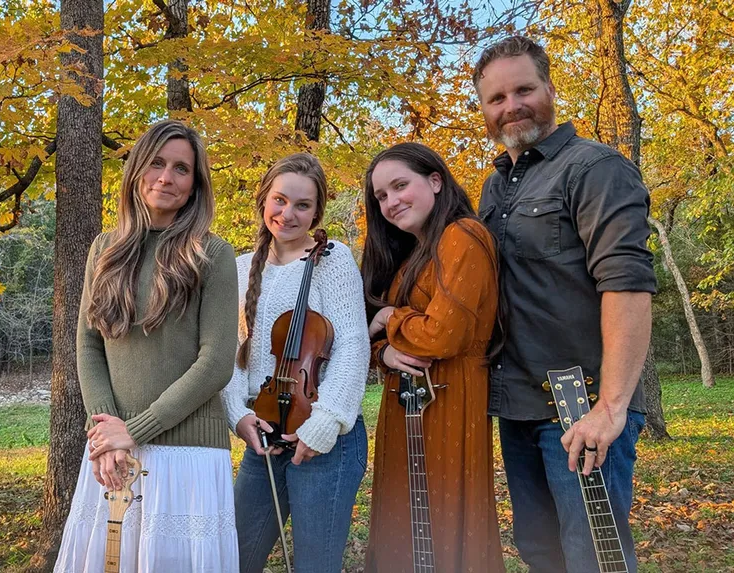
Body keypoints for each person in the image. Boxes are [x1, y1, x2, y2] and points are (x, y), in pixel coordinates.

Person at [473, 35, 656, 573]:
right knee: (541, 554)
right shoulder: (494, 188)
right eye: (497, 98)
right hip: (518, 404)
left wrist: (612, 406)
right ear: (484, 109)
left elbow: (626, 282)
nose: (512, 106)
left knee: (594, 557)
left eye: (524, 89)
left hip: (582, 404)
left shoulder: (595, 168)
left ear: (550, 88)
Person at [54, 120, 240, 573]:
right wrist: (106, 437)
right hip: (113, 452)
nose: (166, 177)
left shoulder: (212, 254)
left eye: (181, 169)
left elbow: (215, 364)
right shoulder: (105, 248)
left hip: (188, 456)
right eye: (156, 163)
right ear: (136, 170)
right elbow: (89, 345)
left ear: (195, 184)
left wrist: (133, 430)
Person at [220, 153, 369, 573]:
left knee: (314, 565)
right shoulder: (238, 269)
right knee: (235, 558)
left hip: (327, 440)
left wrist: (325, 422)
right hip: (264, 432)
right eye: (280, 200)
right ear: (263, 199)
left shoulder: (332, 258)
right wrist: (238, 416)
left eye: (303, 205)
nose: (288, 214)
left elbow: (353, 344)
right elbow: (229, 356)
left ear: (317, 212)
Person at [362, 142, 505, 572]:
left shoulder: (463, 236)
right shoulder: (413, 255)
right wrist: (386, 351)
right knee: (401, 521)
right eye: (381, 196)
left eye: (400, 185)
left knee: (445, 525)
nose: (390, 202)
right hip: (405, 404)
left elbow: (443, 335)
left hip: (450, 400)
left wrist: (389, 319)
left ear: (436, 181)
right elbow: (382, 342)